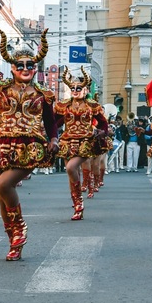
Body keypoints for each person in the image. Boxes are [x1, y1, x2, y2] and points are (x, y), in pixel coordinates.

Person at [0, 30, 57, 261]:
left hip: (29, 147)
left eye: (30, 64)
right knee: (1, 194)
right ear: (12, 67)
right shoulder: (1, 90)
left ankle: (20, 228)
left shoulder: (43, 94)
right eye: (20, 64)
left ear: (36, 68)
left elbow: (50, 122)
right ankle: (13, 244)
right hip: (0, 146)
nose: (25, 68)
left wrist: (54, 139)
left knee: (3, 184)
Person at [54, 67, 109, 220]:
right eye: (73, 88)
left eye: (79, 87)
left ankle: (81, 201)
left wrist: (101, 132)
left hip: (85, 140)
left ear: (85, 89)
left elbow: (103, 124)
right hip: (67, 140)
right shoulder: (64, 105)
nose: (75, 90)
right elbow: (55, 123)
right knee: (71, 173)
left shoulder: (92, 105)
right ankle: (77, 203)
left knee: (72, 167)